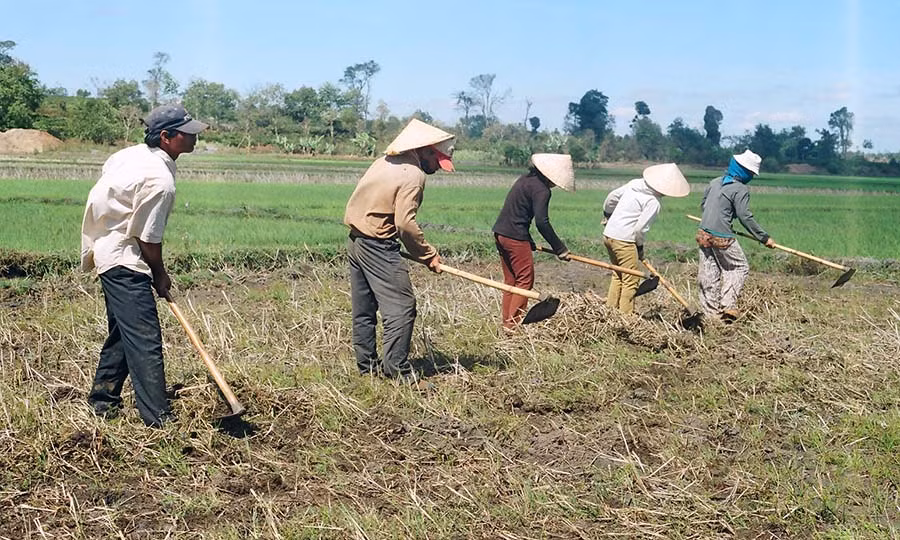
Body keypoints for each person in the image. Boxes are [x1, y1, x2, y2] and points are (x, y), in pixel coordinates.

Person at [81, 104, 207, 427]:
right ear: (166, 137)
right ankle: (156, 418)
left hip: (109, 248)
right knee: (145, 338)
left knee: (124, 333)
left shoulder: (132, 155)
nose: (193, 136)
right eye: (186, 132)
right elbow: (148, 238)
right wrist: (160, 275)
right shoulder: (160, 181)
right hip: (125, 258)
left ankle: (102, 401)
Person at [343, 119, 455, 384]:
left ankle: (367, 368)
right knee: (402, 307)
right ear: (426, 150)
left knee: (365, 309)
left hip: (356, 241)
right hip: (378, 245)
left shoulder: (384, 162)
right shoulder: (412, 175)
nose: (437, 169)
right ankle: (397, 370)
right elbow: (405, 224)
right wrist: (428, 255)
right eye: (437, 161)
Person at [492, 153, 574, 328]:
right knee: (524, 281)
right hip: (515, 237)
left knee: (511, 282)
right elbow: (542, 222)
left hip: (501, 233)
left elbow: (517, 211)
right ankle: (512, 328)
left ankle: (507, 325)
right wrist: (560, 248)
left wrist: (528, 239)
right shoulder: (542, 190)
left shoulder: (525, 180)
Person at [696, 149, 776, 321]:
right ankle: (728, 305)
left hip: (703, 233)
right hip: (721, 236)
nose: (752, 177)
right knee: (739, 267)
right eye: (751, 174)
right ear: (744, 171)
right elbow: (744, 216)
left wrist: (721, 215)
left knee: (709, 272)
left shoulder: (714, 182)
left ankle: (710, 315)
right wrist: (764, 237)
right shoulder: (740, 189)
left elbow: (704, 206)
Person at [603, 163, 689, 314]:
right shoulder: (653, 202)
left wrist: (608, 215)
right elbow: (639, 230)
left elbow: (611, 198)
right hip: (625, 240)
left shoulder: (635, 184)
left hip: (609, 234)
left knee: (618, 274)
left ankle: (610, 312)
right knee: (631, 280)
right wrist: (640, 247)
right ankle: (626, 318)